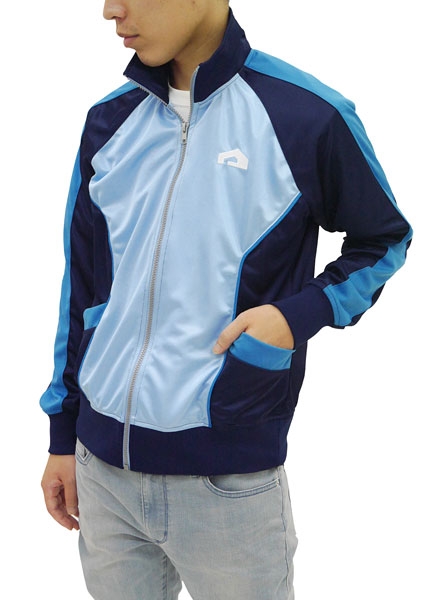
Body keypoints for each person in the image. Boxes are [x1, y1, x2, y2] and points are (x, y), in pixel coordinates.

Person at [40, 1, 412, 598]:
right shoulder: (109, 122)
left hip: (229, 481)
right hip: (101, 472)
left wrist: (295, 316)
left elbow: (384, 239)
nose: (111, 10)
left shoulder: (306, 115)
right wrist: (63, 434)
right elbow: (80, 285)